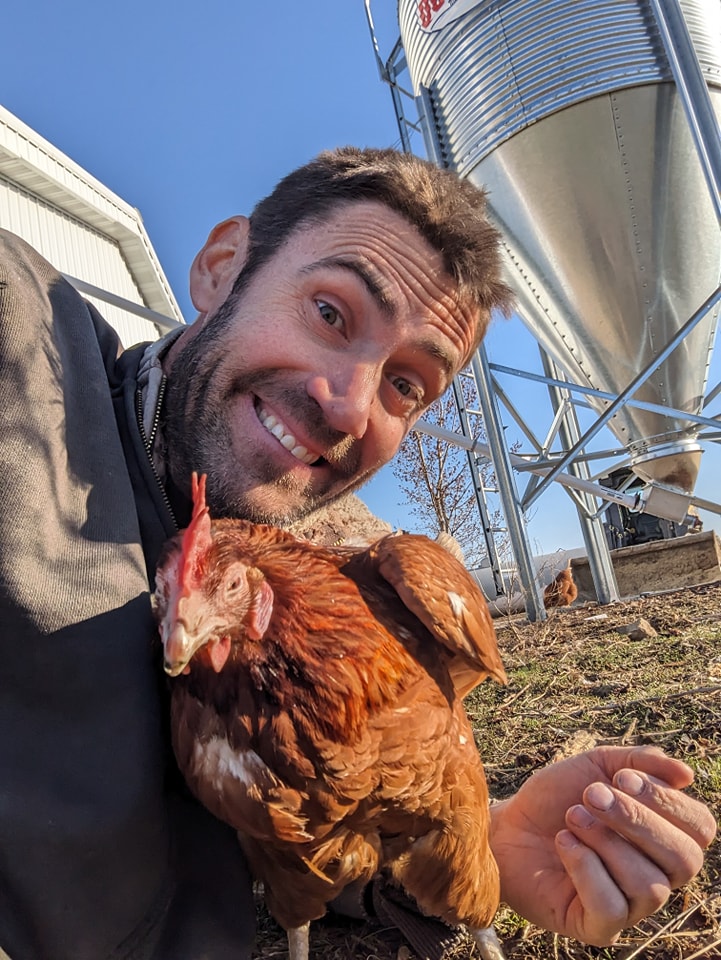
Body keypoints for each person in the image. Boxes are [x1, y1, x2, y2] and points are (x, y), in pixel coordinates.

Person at [0, 146, 714, 960]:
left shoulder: (362, 567)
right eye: (330, 312)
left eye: (406, 386)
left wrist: (481, 842)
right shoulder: (29, 359)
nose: (345, 407)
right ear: (220, 267)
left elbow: (326, 797)